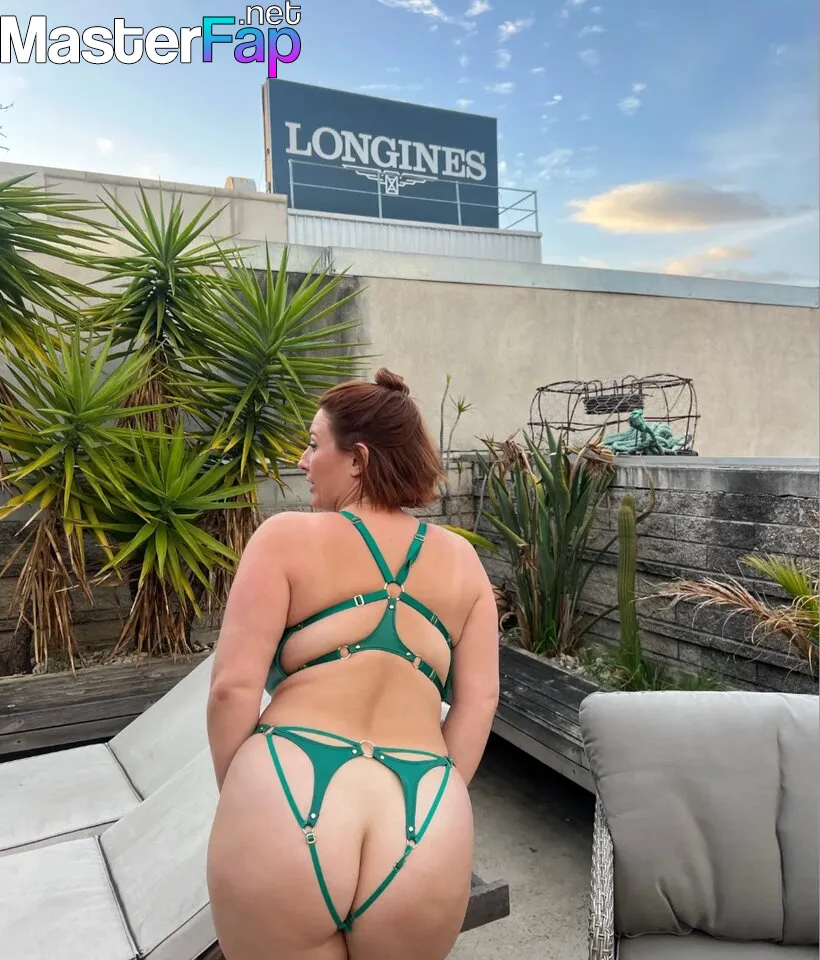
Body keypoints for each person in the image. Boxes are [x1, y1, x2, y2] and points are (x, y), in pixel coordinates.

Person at [206, 367, 500, 960]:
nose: (303, 461)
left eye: (314, 444)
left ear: (358, 459)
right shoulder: (464, 563)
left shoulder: (285, 538)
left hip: (289, 780)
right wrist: (443, 794)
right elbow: (479, 701)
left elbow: (231, 689)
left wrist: (244, 792)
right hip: (424, 806)